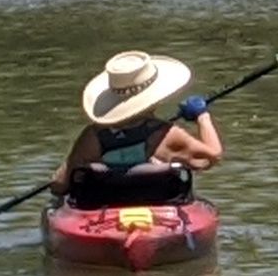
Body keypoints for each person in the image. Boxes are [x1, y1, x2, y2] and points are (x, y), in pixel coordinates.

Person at [62, 48, 224, 208]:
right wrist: (202, 116)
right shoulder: (167, 135)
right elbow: (211, 156)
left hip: (103, 210)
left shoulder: (92, 136)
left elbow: (59, 185)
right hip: (158, 209)